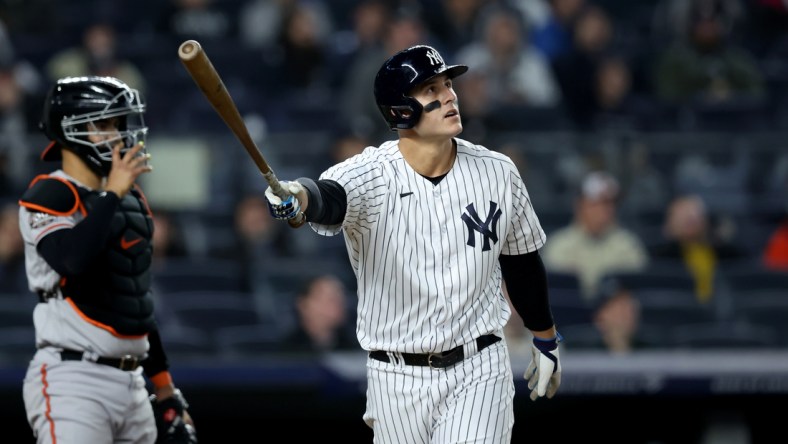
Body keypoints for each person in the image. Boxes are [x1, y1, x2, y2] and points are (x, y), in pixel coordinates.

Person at [263, 44, 562, 442]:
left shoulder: (498, 172)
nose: (449, 96)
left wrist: (545, 338)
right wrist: (297, 196)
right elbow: (327, 198)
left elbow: (522, 262)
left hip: (479, 365)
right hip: (395, 375)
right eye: (430, 90)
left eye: (447, 85)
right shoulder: (369, 173)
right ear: (401, 110)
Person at [18, 76, 196, 444]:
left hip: (132, 384)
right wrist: (112, 193)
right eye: (102, 124)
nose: (115, 135)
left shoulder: (128, 200)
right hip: (73, 379)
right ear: (71, 129)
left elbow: (134, 298)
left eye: (117, 124)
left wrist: (164, 389)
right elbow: (72, 259)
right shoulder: (49, 192)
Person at [542, 170, 649, 300]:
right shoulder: (559, 245)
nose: (607, 209)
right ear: (580, 205)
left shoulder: (629, 245)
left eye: (612, 203)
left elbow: (637, 292)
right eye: (600, 202)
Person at [278, 273, 357, 355]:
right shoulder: (283, 353)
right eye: (330, 299)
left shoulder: (357, 349)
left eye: (341, 299)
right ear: (303, 305)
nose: (340, 304)